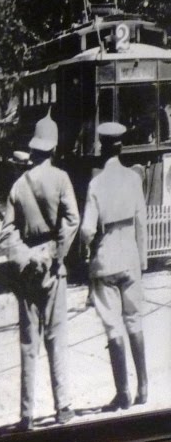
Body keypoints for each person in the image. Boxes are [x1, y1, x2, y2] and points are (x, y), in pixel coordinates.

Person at [0, 111, 79, 431]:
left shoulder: (18, 186)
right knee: (56, 338)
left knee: (28, 343)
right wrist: (53, 255)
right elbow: (72, 220)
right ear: (55, 148)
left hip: (26, 273)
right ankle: (63, 408)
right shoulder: (61, 179)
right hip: (53, 270)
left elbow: (6, 233)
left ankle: (26, 414)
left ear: (34, 148)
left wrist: (27, 257)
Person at [79, 122, 149, 410]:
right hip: (129, 256)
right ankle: (144, 386)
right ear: (121, 147)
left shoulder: (95, 184)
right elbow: (142, 222)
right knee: (135, 320)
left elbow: (86, 229)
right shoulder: (134, 179)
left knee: (113, 327)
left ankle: (123, 392)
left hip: (106, 259)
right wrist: (142, 260)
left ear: (101, 146)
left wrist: (87, 250)